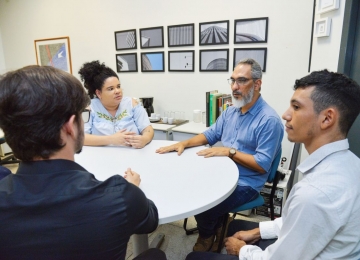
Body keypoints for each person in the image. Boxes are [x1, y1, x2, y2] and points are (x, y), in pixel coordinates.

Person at [187, 69, 360, 260]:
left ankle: (210, 232)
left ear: (327, 118)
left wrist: (242, 250)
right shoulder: (351, 164)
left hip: (247, 184)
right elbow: (297, 222)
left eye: (296, 107)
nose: (286, 115)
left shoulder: (314, 194)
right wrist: (259, 231)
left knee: (193, 258)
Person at [0, 65, 166, 260]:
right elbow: (150, 220)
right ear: (71, 127)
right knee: (154, 256)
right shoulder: (118, 195)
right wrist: (132, 191)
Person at [156, 58, 284, 252]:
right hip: (222, 171)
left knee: (204, 202)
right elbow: (210, 135)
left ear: (257, 84)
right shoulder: (230, 112)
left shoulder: (269, 120)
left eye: (241, 81)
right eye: (232, 80)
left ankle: (207, 235)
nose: (234, 87)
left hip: (246, 182)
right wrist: (183, 143)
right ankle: (215, 226)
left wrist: (229, 152)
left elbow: (262, 164)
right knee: (189, 185)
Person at [78, 60, 154, 148]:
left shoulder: (132, 104)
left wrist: (144, 139)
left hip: (131, 154)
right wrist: (111, 139)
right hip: (101, 157)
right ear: (99, 93)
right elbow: (81, 138)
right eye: (111, 89)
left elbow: (148, 129)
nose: (117, 91)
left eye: (118, 86)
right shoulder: (88, 108)